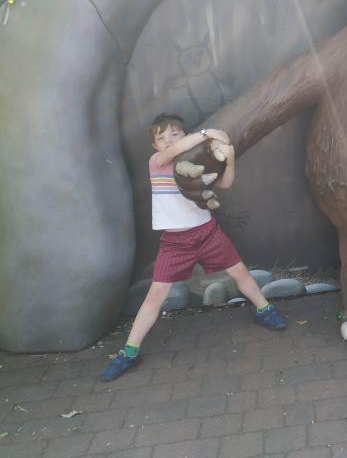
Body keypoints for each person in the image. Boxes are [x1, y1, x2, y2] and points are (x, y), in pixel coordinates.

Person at [100, 113, 287, 381]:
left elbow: (224, 183)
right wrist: (207, 133)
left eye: (174, 134)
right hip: (175, 243)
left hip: (207, 233)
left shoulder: (196, 160)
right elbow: (173, 151)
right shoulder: (157, 162)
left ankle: (264, 310)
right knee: (155, 296)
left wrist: (230, 160)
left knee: (241, 273)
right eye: (161, 138)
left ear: (183, 135)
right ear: (155, 146)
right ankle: (129, 352)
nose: (168, 141)